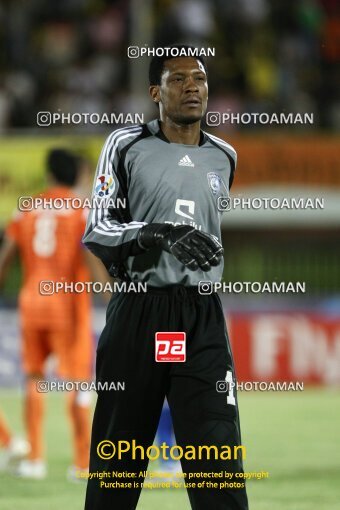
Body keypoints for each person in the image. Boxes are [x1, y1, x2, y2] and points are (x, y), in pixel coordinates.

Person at [83, 44, 248, 510]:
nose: (192, 86)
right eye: (178, 79)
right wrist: (156, 233)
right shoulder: (125, 144)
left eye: (199, 78)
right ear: (156, 92)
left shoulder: (225, 157)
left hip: (201, 317)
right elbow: (97, 228)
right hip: (140, 311)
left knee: (217, 455)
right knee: (119, 457)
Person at [0, 149, 96, 480]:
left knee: (34, 379)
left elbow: (6, 256)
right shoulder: (81, 210)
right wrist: (113, 293)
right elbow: (91, 257)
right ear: (76, 175)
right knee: (78, 382)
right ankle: (82, 464)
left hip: (31, 304)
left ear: (49, 174)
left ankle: (35, 460)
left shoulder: (25, 208)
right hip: (68, 306)